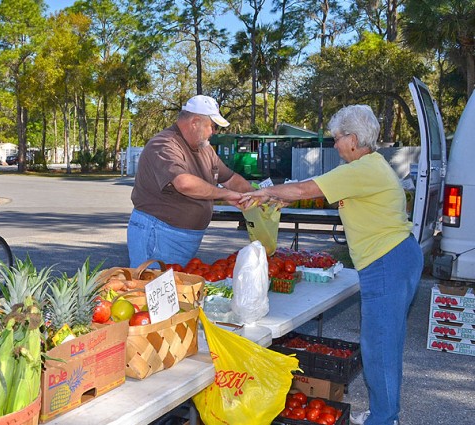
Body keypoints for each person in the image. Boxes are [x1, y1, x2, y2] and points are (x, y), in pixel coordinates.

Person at [242, 105, 420, 425]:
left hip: (387, 262)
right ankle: (384, 412)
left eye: (337, 138)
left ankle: (384, 419)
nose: (335, 144)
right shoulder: (370, 167)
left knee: (379, 347)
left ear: (353, 139)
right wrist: (284, 198)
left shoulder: (361, 169)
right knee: (384, 342)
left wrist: (266, 192)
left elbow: (304, 188)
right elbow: (314, 193)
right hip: (396, 258)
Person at [127, 95, 253, 268]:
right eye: (212, 126)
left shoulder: (205, 149)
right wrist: (226, 194)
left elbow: (230, 178)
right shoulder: (165, 144)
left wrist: (258, 195)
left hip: (183, 237)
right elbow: (184, 183)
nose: (214, 132)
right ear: (195, 122)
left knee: (178, 290)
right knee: (153, 289)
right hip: (159, 236)